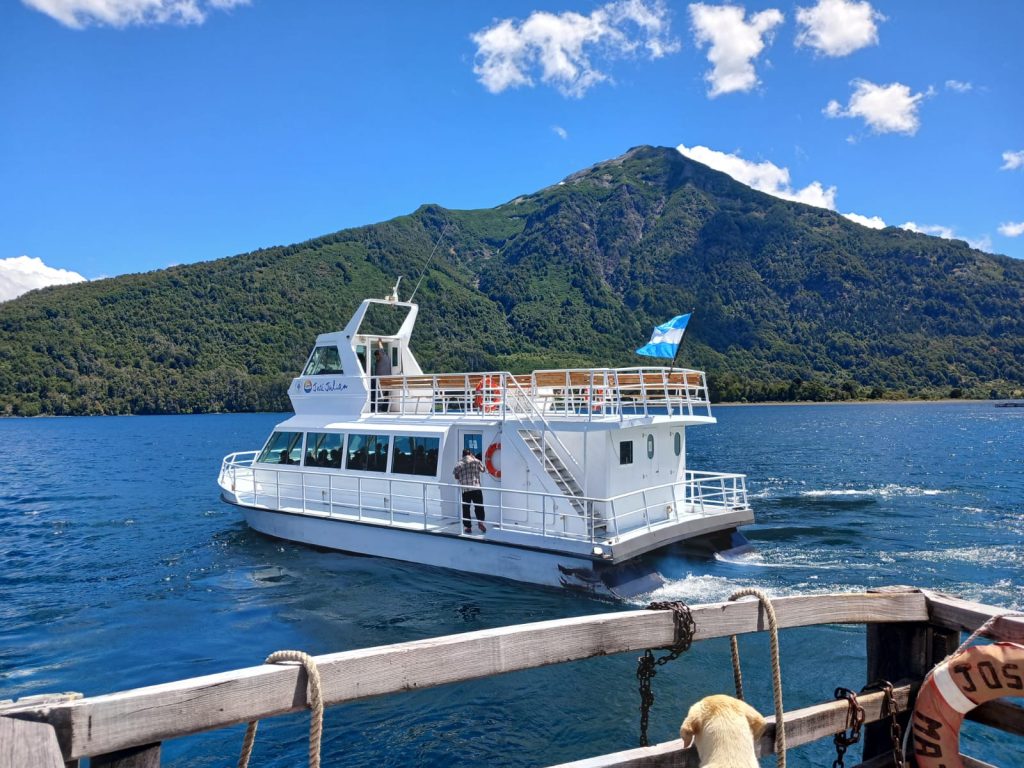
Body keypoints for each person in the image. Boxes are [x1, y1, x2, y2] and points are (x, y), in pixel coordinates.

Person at [452, 448, 487, 534]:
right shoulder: (476, 461)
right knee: (479, 507)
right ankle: (480, 523)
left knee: (466, 509)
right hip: (476, 488)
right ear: (470, 453)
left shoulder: (459, 464)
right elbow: (483, 470)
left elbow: (456, 476)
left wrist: (461, 476)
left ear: (463, 455)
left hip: (466, 490)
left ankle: (468, 527)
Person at [373, 341, 392, 413]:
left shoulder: (383, 357)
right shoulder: (384, 359)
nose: (376, 357)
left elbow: (381, 349)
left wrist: (379, 341)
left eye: (377, 356)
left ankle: (378, 409)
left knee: (380, 394)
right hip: (386, 381)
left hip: (382, 382)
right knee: (385, 395)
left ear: (380, 354)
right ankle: (384, 409)